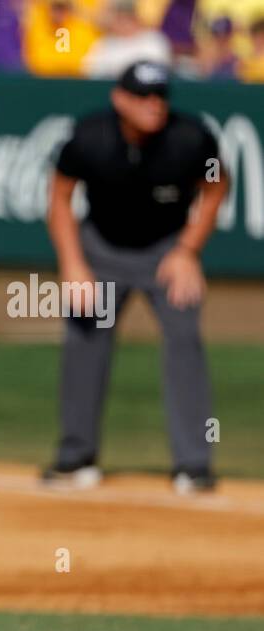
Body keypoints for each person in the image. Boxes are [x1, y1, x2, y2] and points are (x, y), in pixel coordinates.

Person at [42, 61, 229, 494]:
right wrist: (72, 265)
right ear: (120, 99)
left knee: (184, 338)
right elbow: (59, 197)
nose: (154, 104)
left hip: (165, 249)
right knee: (85, 342)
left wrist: (188, 250)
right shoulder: (90, 136)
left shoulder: (190, 137)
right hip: (102, 249)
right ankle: (76, 458)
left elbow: (217, 186)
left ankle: (193, 465)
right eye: (143, 96)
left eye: (160, 95)